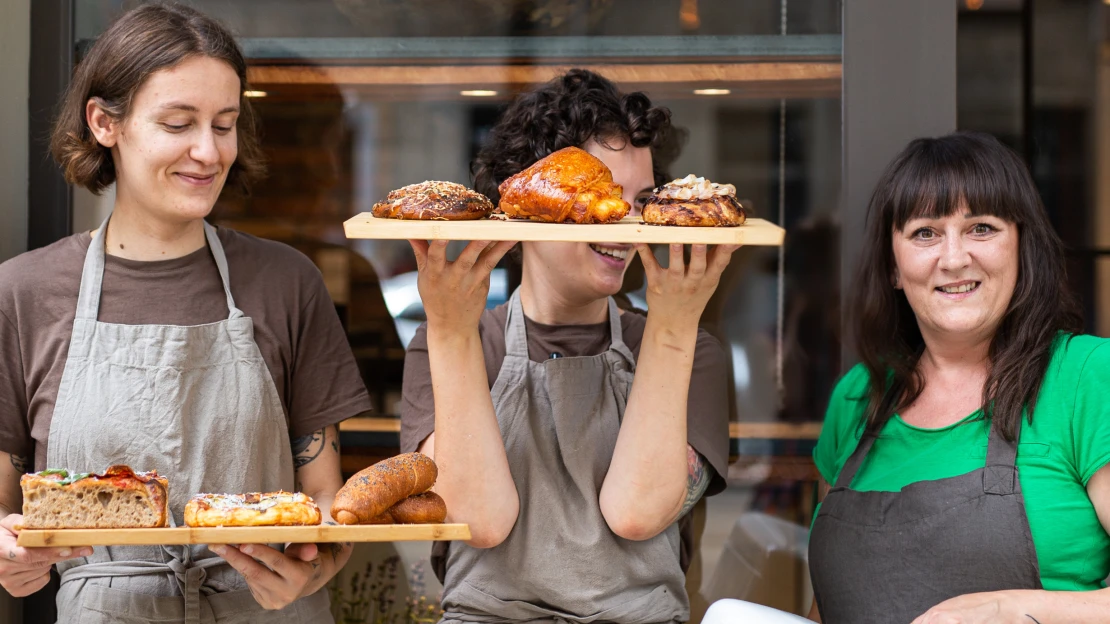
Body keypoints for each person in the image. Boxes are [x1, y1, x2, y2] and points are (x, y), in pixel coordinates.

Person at [0, 4, 371, 622]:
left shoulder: (287, 282)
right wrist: (12, 562)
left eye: (224, 125)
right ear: (103, 123)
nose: (208, 151)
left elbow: (327, 505)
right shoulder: (23, 293)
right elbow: (6, 516)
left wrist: (306, 576)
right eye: (178, 123)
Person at [399, 68, 737, 623]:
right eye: (601, 194)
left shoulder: (689, 350)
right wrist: (450, 332)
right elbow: (479, 520)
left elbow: (636, 513)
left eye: (640, 199)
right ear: (532, 202)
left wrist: (672, 327)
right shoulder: (454, 345)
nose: (624, 219)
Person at [807, 132, 1110, 623]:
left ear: (1021, 246)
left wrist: (1009, 608)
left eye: (982, 228)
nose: (953, 258)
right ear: (893, 266)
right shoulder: (857, 398)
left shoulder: (1087, 379)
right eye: (925, 232)